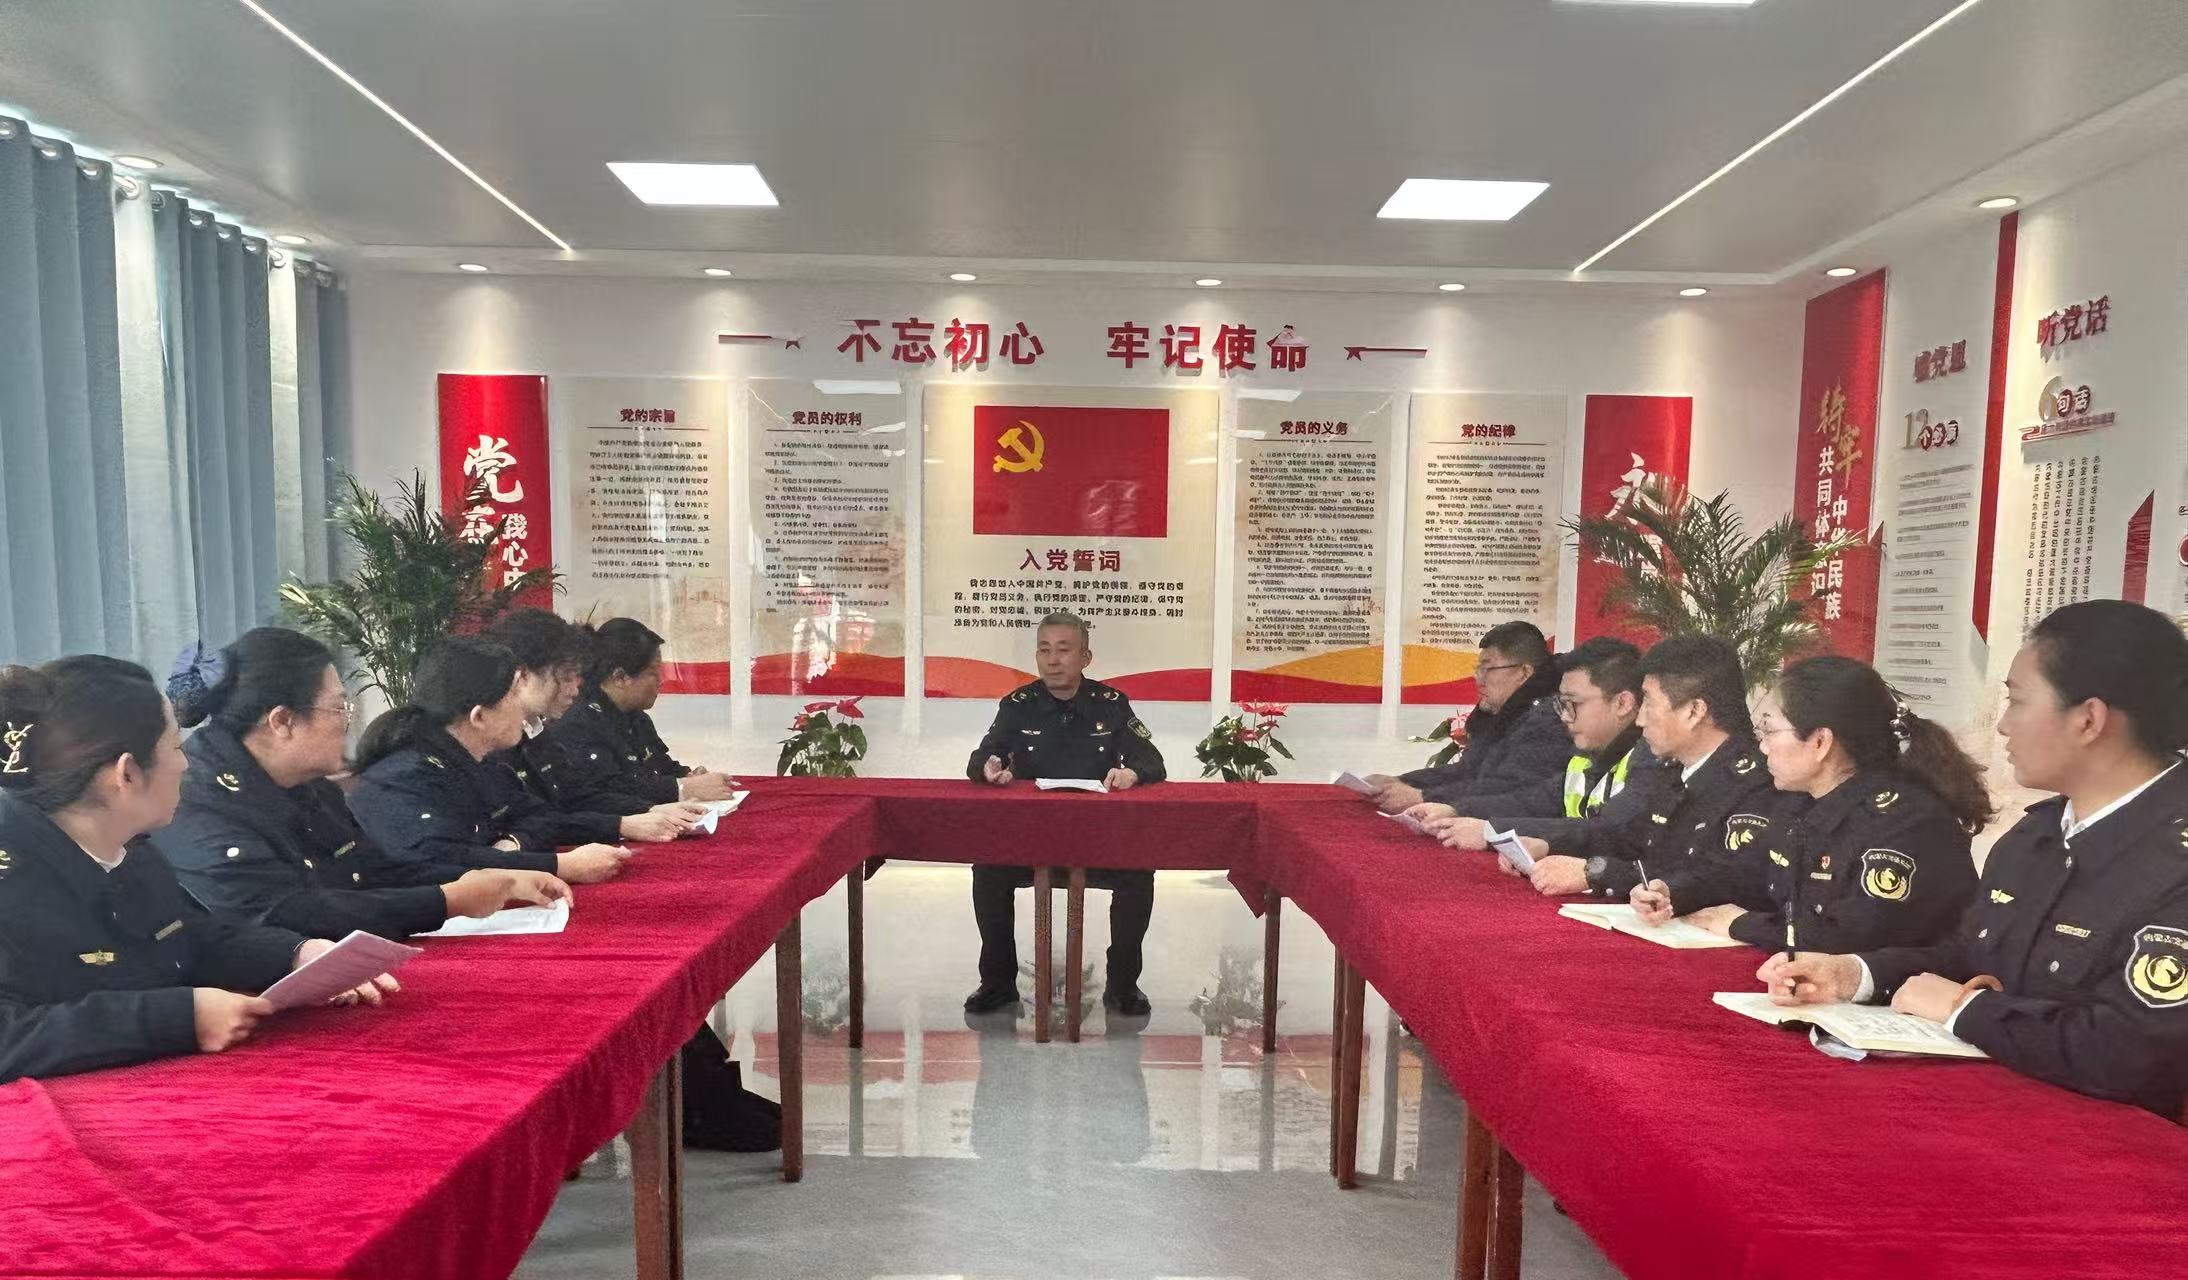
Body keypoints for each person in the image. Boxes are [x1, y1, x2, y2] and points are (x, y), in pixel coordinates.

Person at [1761, 601, 2188, 1117]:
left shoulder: (2173, 863)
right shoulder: (2035, 837)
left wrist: (1966, 1009)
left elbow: (2133, 1055)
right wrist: (1855, 974)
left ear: (2088, 719)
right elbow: (1972, 954)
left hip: (2113, 1150)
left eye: (2018, 701)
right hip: (1989, 1112)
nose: (2003, 725)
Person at [1, 656, 393, 1084]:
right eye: (174, 747)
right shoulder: (12, 878)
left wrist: (297, 955)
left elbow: (190, 939)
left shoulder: (131, 851)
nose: (186, 764)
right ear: (126, 774)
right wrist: (175, 1019)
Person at [152, 628, 571, 941]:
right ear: (282, 721)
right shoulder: (197, 798)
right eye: (339, 708)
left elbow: (374, 872)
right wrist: (446, 900)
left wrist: (498, 877)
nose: (348, 723)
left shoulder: (309, 785)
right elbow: (284, 912)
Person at [1633, 655, 1987, 949]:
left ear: (1820, 742)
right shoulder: (1798, 804)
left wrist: (1741, 924)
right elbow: (1743, 875)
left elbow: (1853, 936)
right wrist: (1674, 892)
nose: (1761, 746)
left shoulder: (1905, 824)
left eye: (1769, 731)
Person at [963, 612, 1166, 1017]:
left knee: (1138, 874)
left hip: (1096, 838)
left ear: (1085, 657)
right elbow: (983, 756)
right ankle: (997, 983)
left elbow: (1152, 761)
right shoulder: (1018, 706)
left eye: (1063, 650)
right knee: (988, 871)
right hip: (1030, 837)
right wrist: (988, 767)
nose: (1052, 660)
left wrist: (1131, 773)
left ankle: (1123, 984)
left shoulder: (1111, 704)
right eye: (1044, 650)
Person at [1513, 633, 1774, 901]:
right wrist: (1548, 845)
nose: (1639, 720)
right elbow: (1626, 835)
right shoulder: (1673, 771)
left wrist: (1597, 872)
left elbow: (1714, 879)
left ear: (1694, 711)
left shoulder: (1752, 787)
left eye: (1649, 702)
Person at [349, 638, 630, 886]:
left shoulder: (481, 761)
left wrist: (511, 845)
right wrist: (560, 866)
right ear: (479, 716)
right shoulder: (405, 777)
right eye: (513, 695)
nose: (521, 707)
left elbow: (540, 817)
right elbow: (440, 864)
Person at [1424, 636, 1665, 859]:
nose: (1565, 716)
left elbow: (1608, 830)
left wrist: (1491, 831)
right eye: (1561, 704)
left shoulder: (1653, 759)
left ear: (1622, 703)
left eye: (1572, 703)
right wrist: (1456, 810)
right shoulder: (1586, 756)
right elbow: (1532, 801)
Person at [479, 609, 703, 842]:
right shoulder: (490, 741)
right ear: (522, 676)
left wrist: (649, 811)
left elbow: (575, 796)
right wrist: (620, 826)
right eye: (566, 678)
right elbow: (527, 821)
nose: (574, 690)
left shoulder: (536, 731)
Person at [1362, 621, 1570, 819]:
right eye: (1478, 669)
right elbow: (1467, 772)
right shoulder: (1503, 712)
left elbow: (1508, 787)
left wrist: (1424, 796)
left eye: (1488, 669)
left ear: (1524, 672)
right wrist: (1402, 781)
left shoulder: (1550, 719)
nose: (1479, 678)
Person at [544, 618, 738, 811]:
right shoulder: (578, 724)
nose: (661, 681)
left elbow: (659, 765)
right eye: (653, 672)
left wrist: (689, 776)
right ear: (620, 677)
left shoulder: (636, 717)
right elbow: (604, 792)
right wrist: (682, 788)